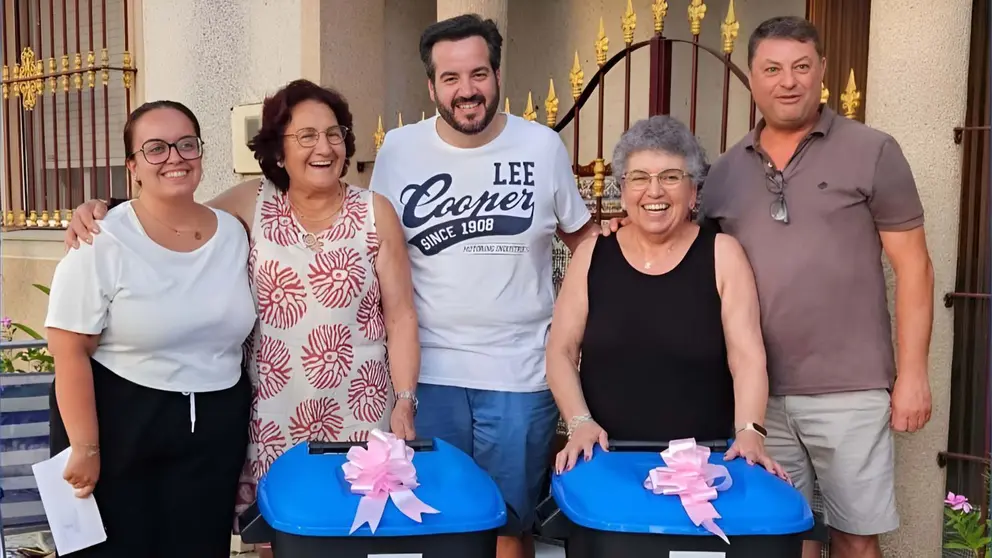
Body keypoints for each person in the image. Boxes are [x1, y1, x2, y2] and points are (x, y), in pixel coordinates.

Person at [610, 16, 934, 558]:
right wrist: (626, 225)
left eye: (801, 67)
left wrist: (914, 375)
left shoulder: (873, 151)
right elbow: (679, 242)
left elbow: (915, 267)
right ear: (753, 77)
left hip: (848, 389)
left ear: (822, 70)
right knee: (781, 535)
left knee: (856, 537)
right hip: (754, 399)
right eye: (773, 69)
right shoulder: (724, 173)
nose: (788, 81)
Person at [61, 80, 421, 557]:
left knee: (358, 534)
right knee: (279, 538)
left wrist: (404, 400)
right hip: (273, 414)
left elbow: (401, 317)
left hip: (360, 406)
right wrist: (103, 209)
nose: (324, 147)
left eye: (334, 134)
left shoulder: (374, 212)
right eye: (306, 136)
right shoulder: (252, 202)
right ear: (279, 149)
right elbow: (172, 215)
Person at [369, 13, 599, 558]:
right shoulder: (398, 150)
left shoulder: (542, 146)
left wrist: (589, 324)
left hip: (520, 373)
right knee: (434, 523)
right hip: (428, 375)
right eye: (450, 78)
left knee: (509, 527)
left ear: (497, 76)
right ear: (431, 86)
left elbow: (584, 238)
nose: (466, 90)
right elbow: (375, 245)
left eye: (478, 74)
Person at [46, 100, 256, 556]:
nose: (174, 157)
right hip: (119, 424)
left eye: (186, 144)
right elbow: (68, 349)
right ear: (133, 166)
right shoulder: (101, 238)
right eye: (156, 148)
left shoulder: (234, 233)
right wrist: (85, 448)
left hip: (215, 430)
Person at [547, 115, 787, 484]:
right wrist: (579, 422)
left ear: (693, 192)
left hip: (704, 466)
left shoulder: (723, 255)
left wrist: (750, 431)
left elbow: (747, 357)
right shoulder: (591, 255)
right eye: (639, 178)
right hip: (607, 459)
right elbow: (560, 351)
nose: (654, 191)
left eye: (671, 177)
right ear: (622, 189)